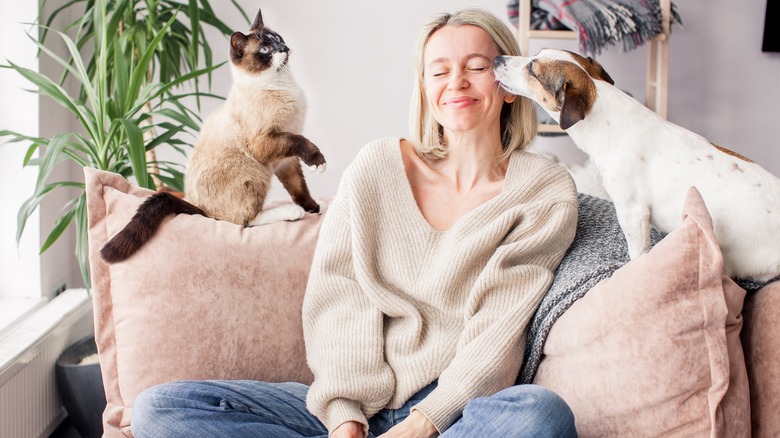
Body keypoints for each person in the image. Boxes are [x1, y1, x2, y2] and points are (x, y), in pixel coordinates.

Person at [131, 8, 579, 438]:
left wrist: (425, 423)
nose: (456, 82)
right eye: (439, 70)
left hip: (453, 416)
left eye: (477, 66)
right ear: (424, 87)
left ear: (507, 83)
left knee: (541, 415)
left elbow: (501, 324)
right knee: (160, 410)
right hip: (355, 409)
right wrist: (345, 419)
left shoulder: (543, 191)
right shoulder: (377, 166)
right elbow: (340, 294)